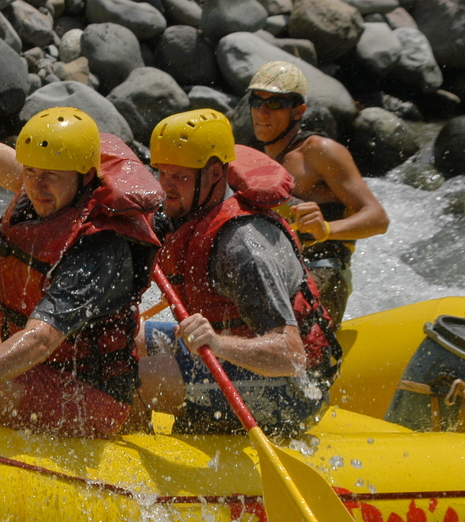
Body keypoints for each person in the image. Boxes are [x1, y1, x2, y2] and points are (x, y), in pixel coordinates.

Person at [0, 63, 163, 439]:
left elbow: (41, 339)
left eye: (51, 175)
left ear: (84, 176)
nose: (37, 185)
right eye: (32, 171)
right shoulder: (36, 186)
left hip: (92, 395)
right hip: (38, 369)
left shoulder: (98, 245)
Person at [138, 109, 342, 435]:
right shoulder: (193, 208)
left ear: (216, 173)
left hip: (294, 389)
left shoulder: (244, 249)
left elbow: (290, 356)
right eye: (162, 173)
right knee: (122, 344)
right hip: (239, 358)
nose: (167, 187)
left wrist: (217, 344)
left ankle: (136, 474)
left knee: (138, 376)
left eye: (180, 177)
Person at [248, 60, 389, 326]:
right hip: (280, 275)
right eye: (257, 102)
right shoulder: (256, 161)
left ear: (299, 111)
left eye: (276, 104)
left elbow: (378, 219)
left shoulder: (319, 151)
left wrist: (325, 229)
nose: (262, 112)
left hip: (325, 272)